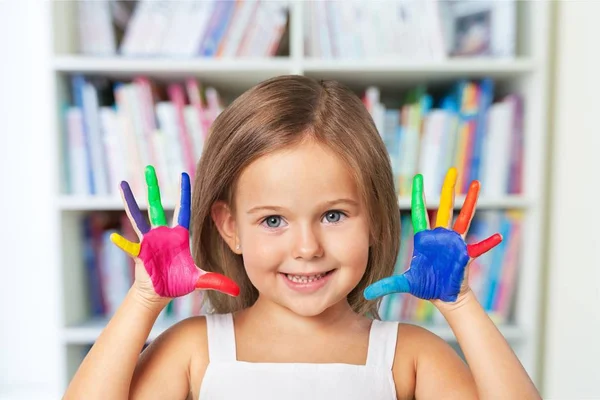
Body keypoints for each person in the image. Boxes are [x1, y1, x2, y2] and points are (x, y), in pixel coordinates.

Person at [64, 75, 541, 400]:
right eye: (273, 220)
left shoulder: (408, 356)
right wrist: (143, 299)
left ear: (375, 218)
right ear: (230, 227)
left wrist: (461, 305)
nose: (307, 248)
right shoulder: (194, 350)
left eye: (333, 215)